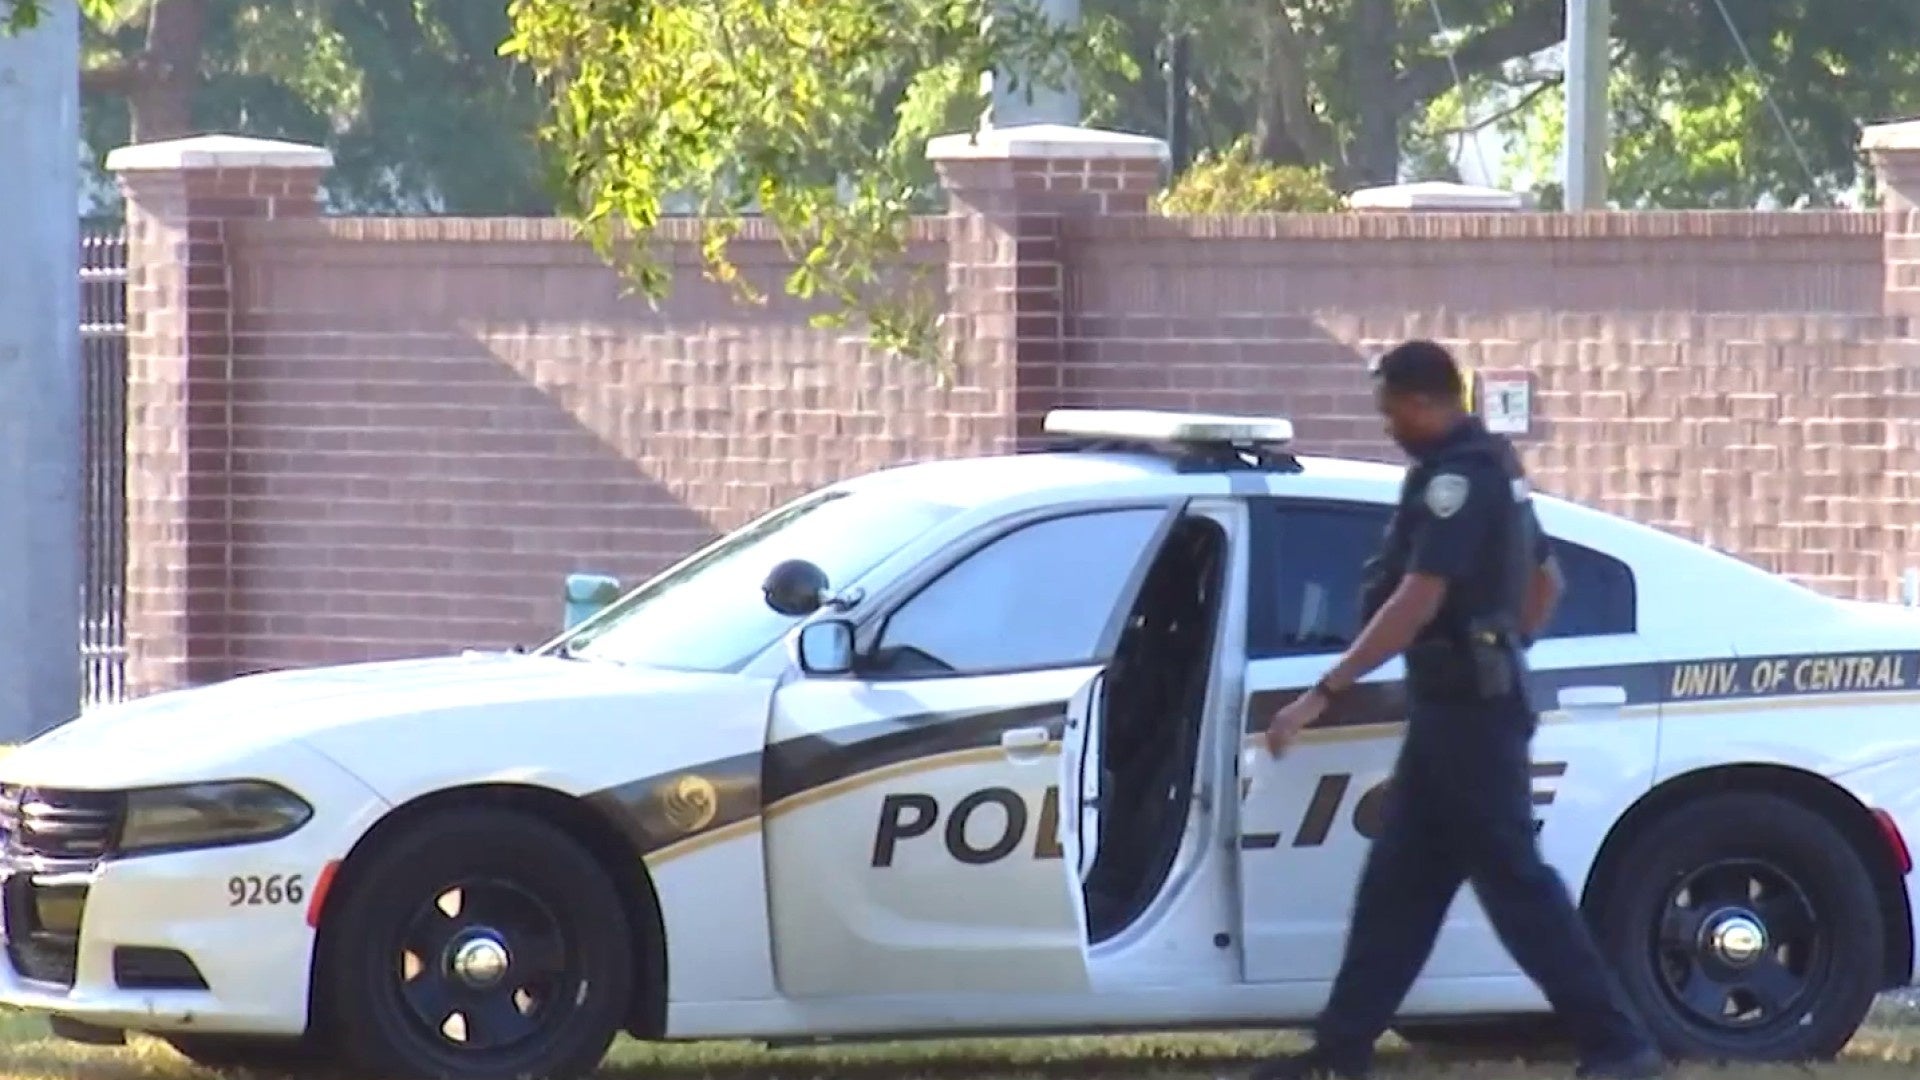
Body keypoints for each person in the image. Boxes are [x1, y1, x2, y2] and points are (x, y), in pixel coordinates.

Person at [1246, 340, 1665, 1080]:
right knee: (1399, 887)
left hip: (1470, 718)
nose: (1387, 427)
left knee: (1516, 887)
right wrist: (1504, 644)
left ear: (1422, 402)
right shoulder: (1495, 467)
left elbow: (1418, 597)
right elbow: (1547, 581)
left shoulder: (1458, 479)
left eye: (1390, 412)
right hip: (1458, 709)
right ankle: (1342, 1050)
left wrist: (1324, 691)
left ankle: (1618, 1046)